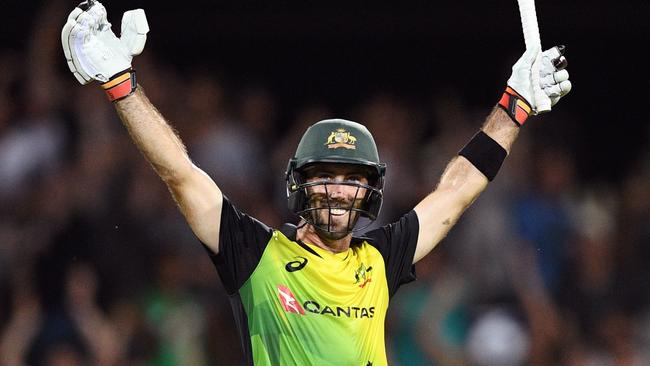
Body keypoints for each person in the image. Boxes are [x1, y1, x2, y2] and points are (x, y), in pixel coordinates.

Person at [60, 1, 571, 365]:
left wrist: (514, 107)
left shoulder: (381, 258)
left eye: (351, 179)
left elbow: (456, 193)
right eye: (324, 176)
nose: (337, 189)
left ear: (368, 192)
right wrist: (121, 87)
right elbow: (180, 174)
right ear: (300, 185)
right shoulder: (255, 254)